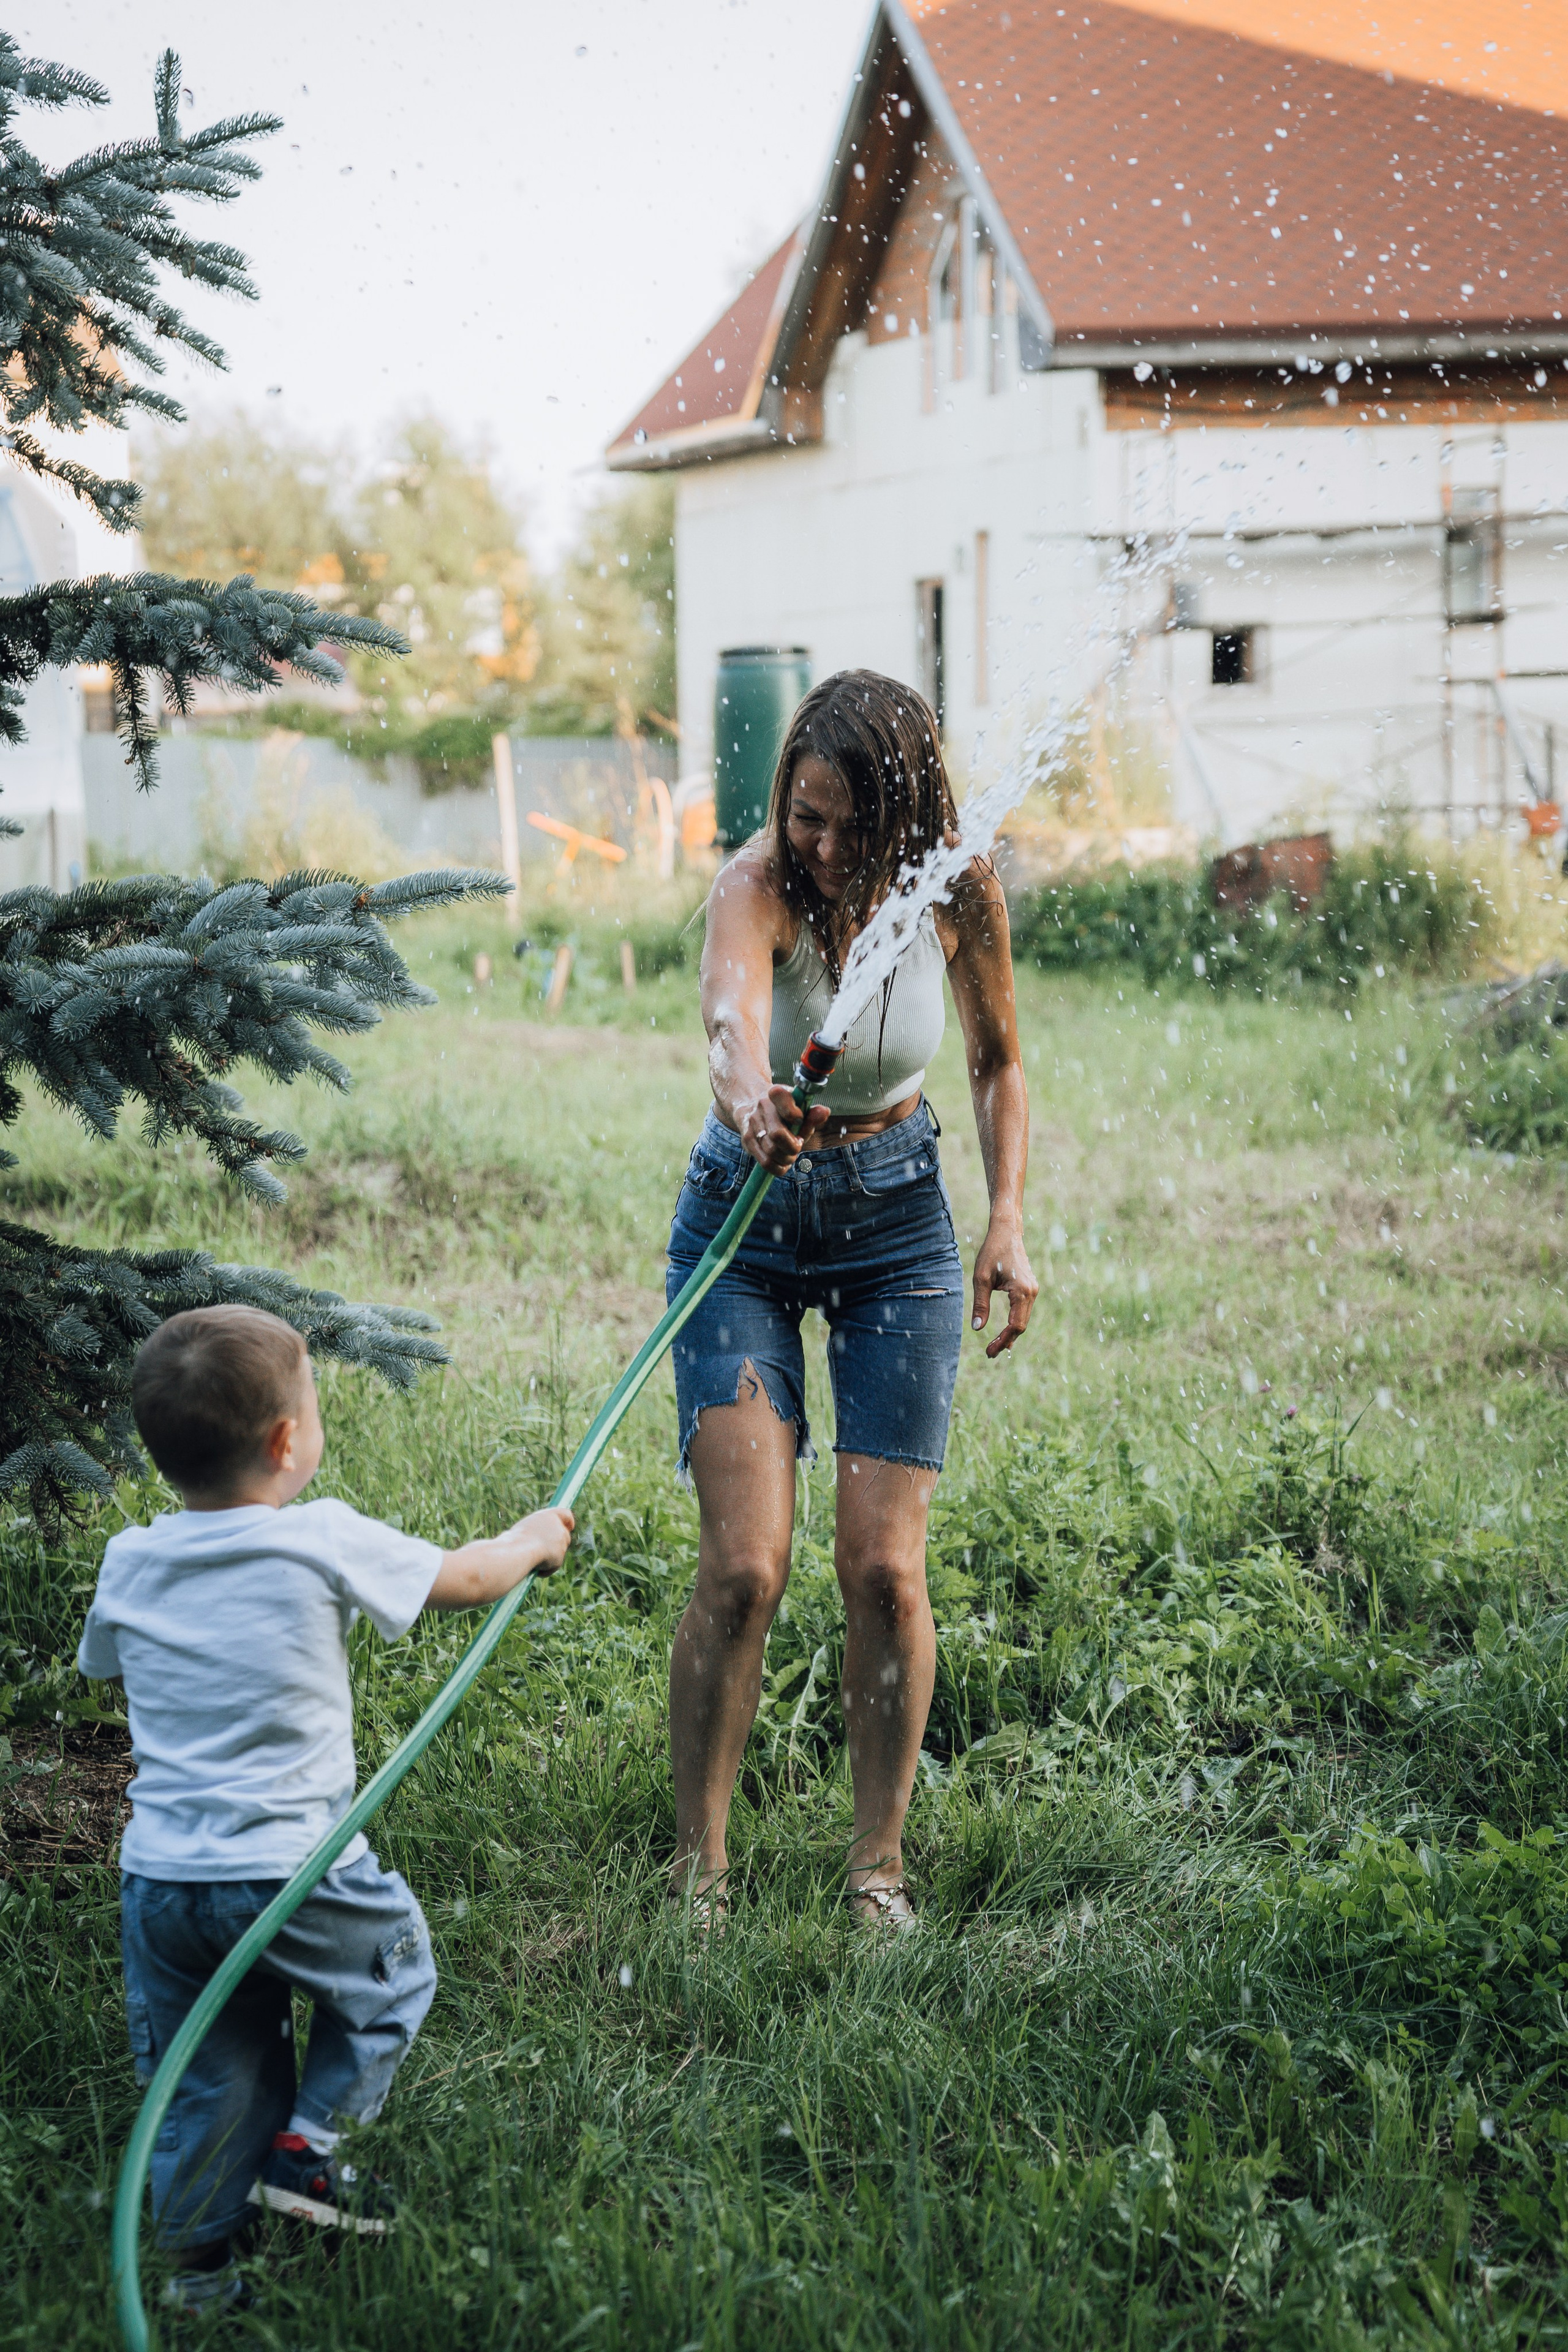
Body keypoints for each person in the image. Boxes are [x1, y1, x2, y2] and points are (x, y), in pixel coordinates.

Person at [78, 1303, 574, 2312]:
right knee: (392, 1982)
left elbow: (102, 1662)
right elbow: (465, 1577)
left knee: (212, 2069)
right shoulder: (318, 1541)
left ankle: (200, 2280)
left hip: (165, 1883)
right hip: (292, 1870)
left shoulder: (129, 1560)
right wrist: (532, 1542)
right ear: (288, 1440)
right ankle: (312, 2153)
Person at [666, 670, 1036, 1932]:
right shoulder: (754, 885)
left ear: (904, 815)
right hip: (744, 1226)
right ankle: (698, 1875)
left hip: (897, 1221)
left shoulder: (955, 887)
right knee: (743, 1572)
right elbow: (731, 1017)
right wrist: (745, 1095)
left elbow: (996, 1060)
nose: (820, 848)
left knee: (883, 1569)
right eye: (803, 816)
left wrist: (1006, 1219)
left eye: (847, 826)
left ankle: (876, 1869)